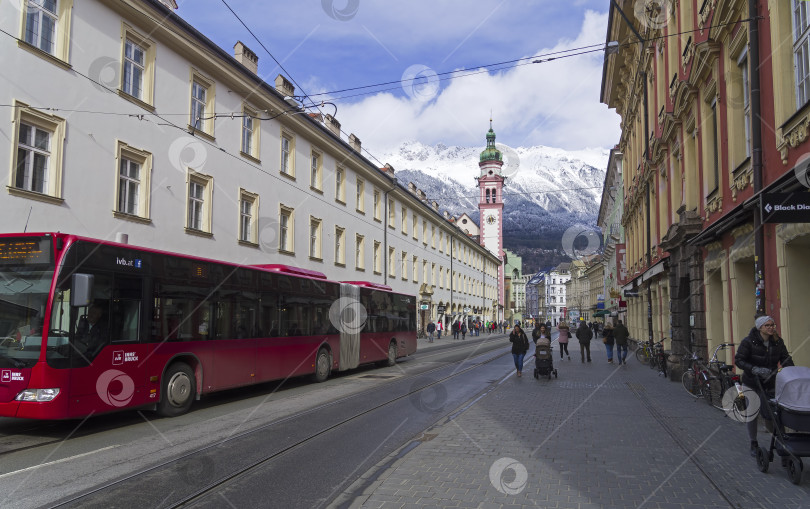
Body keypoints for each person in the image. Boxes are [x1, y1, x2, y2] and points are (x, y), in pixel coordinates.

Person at [735, 315, 794, 457]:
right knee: (752, 412)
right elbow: (739, 360)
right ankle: (753, 442)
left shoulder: (778, 342)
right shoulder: (748, 342)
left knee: (776, 412)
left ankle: (780, 442)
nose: (771, 327)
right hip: (752, 381)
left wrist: (791, 372)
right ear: (760, 327)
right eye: (767, 325)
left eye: (772, 325)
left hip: (771, 382)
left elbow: (786, 359)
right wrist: (754, 369)